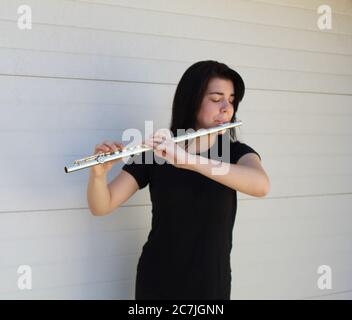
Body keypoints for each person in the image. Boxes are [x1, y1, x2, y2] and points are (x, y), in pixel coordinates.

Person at [87, 60, 270, 300]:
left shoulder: (236, 153)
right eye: (216, 99)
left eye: (232, 100)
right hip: (157, 282)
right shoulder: (157, 152)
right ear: (192, 100)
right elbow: (102, 205)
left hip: (210, 285)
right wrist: (98, 175)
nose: (227, 107)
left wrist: (188, 160)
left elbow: (261, 185)